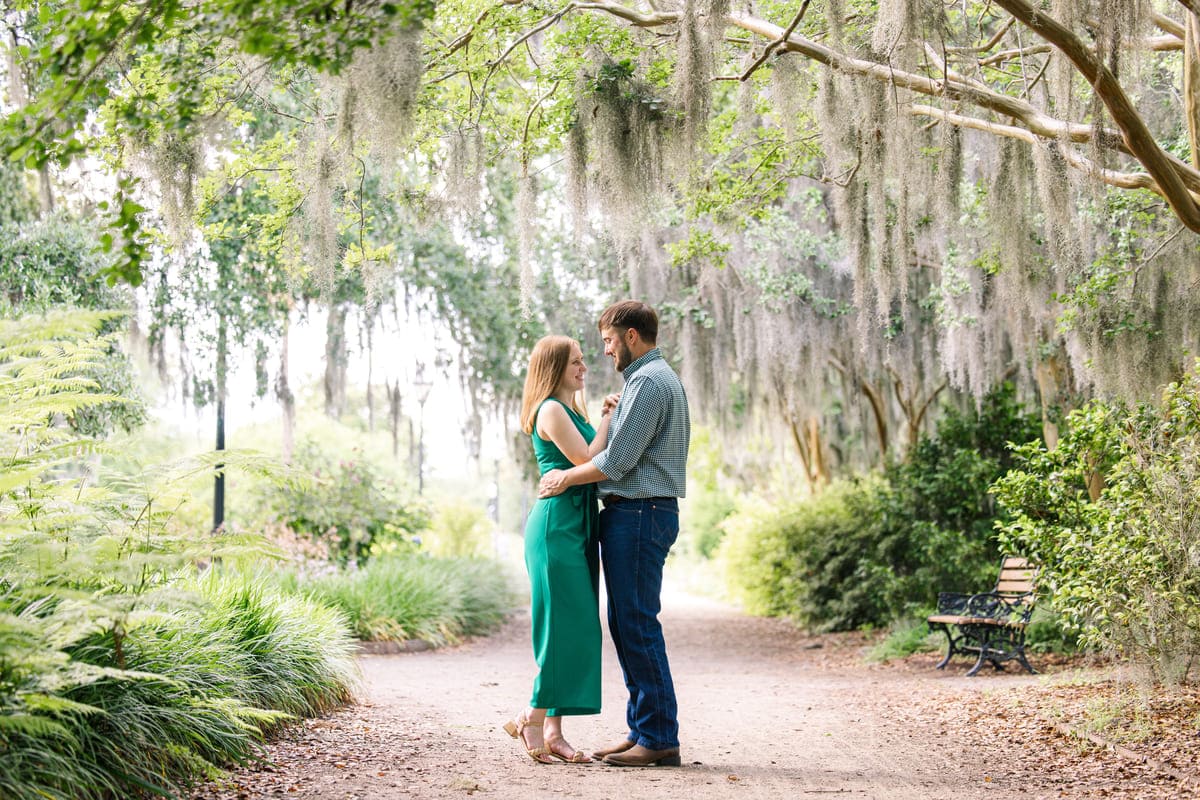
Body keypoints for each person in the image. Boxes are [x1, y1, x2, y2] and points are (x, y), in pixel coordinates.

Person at [538, 300, 690, 768]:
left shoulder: (648, 381)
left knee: (637, 623)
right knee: (627, 624)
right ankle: (643, 729)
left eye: (607, 340)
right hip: (636, 513)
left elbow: (617, 461)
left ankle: (660, 737)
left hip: (641, 514)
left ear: (630, 336)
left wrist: (566, 478)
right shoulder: (648, 381)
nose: (605, 352)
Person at [504, 335, 613, 764]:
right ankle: (532, 716)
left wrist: (601, 415)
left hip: (578, 525)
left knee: (578, 628)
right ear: (553, 368)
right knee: (564, 628)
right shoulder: (549, 408)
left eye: (583, 360)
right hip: (555, 528)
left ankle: (553, 731)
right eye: (575, 363)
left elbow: (591, 456)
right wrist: (608, 419)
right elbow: (588, 456)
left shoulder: (572, 409)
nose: (584, 368)